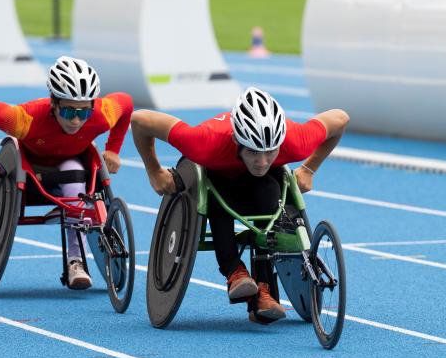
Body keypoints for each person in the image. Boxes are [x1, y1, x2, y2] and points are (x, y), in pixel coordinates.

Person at [131, 87, 349, 323]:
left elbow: (340, 118)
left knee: (271, 193)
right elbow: (140, 120)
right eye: (253, 152)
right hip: (218, 175)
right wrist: (154, 170)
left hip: (264, 185)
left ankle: (264, 289)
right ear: (237, 140)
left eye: (270, 152)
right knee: (217, 197)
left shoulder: (294, 141)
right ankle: (235, 271)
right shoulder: (205, 142)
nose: (262, 161)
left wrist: (309, 168)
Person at [0, 56, 132, 290]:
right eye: (68, 111)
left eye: (83, 113)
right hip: (33, 169)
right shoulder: (24, 119)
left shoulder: (103, 113)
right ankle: (70, 216)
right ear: (53, 103)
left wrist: (113, 149)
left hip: (72, 166)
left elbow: (126, 103)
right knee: (71, 173)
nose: (75, 120)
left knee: (74, 172)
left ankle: (76, 262)